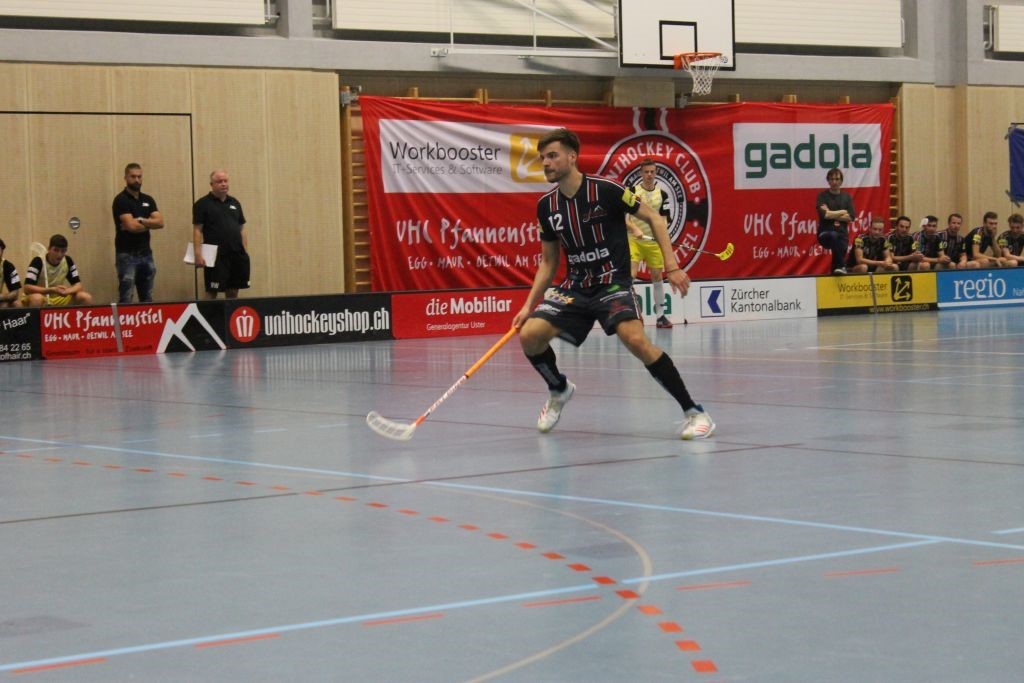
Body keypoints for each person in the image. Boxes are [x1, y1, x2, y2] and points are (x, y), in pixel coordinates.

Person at [512, 128, 715, 440]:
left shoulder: (607, 190)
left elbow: (655, 218)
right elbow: (549, 262)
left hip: (612, 282)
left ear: (572, 157)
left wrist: (672, 266)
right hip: (576, 286)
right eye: (543, 158)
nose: (546, 163)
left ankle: (695, 412)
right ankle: (559, 389)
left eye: (552, 156)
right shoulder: (546, 207)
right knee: (530, 335)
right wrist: (529, 306)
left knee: (634, 339)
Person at [627, 158, 674, 328]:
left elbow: (663, 220)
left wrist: (661, 235)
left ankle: (661, 316)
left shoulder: (662, 195)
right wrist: (634, 228)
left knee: (657, 276)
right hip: (634, 240)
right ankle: (631, 315)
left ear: (656, 173)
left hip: (652, 243)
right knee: (631, 275)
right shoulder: (632, 192)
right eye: (646, 172)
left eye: (652, 172)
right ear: (641, 173)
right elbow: (622, 217)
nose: (649, 175)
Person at [192, 169, 250, 299]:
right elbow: (197, 230)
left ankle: (230, 312)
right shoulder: (202, 204)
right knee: (212, 291)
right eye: (219, 181)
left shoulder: (235, 203)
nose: (223, 184)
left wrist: (245, 251)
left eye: (225, 181)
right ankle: (208, 313)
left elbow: (241, 228)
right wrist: (198, 254)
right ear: (211, 184)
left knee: (233, 290)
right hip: (216, 255)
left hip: (236, 253)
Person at [112, 162, 164, 303]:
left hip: (146, 253)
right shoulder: (121, 200)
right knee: (126, 296)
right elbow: (131, 227)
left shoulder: (148, 199)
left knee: (147, 297)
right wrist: (149, 223)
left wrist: (140, 220)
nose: (137, 180)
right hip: (126, 254)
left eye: (139, 177)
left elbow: (160, 222)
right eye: (133, 176)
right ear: (125, 178)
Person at [22, 234, 93, 307]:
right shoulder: (38, 261)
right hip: (41, 297)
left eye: (63, 251)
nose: (59, 254)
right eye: (56, 250)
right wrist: (51, 290)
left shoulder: (67, 261)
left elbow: (78, 286)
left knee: (85, 297)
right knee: (37, 298)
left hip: (59, 298)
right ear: (49, 249)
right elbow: (27, 288)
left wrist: (67, 291)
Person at [816, 168, 854, 274]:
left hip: (842, 234)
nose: (834, 182)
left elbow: (851, 217)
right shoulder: (822, 196)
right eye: (832, 179)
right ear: (828, 181)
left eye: (837, 179)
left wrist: (831, 213)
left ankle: (837, 271)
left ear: (841, 181)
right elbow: (825, 215)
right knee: (834, 236)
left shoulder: (847, 197)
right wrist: (842, 211)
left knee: (837, 260)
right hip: (825, 233)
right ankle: (843, 266)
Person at [0, 238, 23, 308]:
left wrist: (2, 297)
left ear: (2, 252)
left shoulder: (7, 266)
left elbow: (15, 293)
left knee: (16, 304)